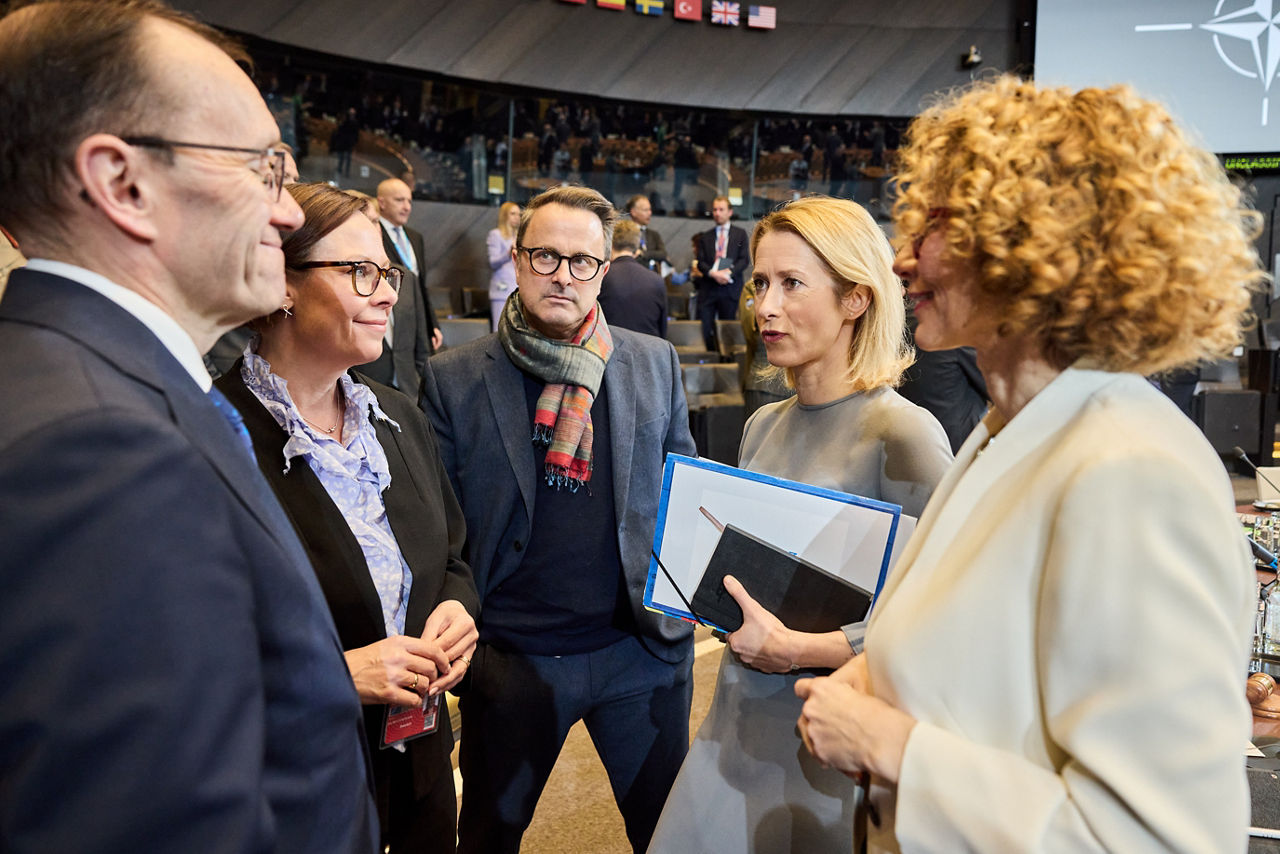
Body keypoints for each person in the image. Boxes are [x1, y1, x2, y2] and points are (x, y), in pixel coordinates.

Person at [796, 77, 1265, 853]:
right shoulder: (1010, 430)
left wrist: (891, 747)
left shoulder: (1130, 471)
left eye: (936, 225)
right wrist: (879, 672)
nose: (902, 258)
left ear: (1038, 243)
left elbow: (1158, 839)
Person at [0, 2, 377, 851]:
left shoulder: (87, 384)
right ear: (123, 184)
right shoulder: (97, 449)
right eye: (263, 169)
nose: (287, 213)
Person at [648, 196, 952, 853]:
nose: (767, 306)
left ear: (856, 299)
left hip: (829, 742)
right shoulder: (762, 425)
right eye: (760, 283)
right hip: (735, 717)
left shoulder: (905, 435)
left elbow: (936, 625)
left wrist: (796, 650)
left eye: (792, 284)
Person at [423, 185, 696, 854]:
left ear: (604, 270)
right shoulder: (452, 378)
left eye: (581, 262)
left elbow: (682, 491)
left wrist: (684, 613)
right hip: (514, 661)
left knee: (671, 839)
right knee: (487, 838)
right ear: (516, 260)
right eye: (546, 256)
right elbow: (441, 531)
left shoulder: (653, 362)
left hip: (638, 654)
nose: (563, 275)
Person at [216, 182, 479, 852]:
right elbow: (188, 653)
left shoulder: (396, 416)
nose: (387, 292)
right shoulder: (213, 435)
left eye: (387, 271)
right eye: (360, 271)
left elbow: (451, 558)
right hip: (295, 784)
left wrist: (456, 611)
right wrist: (341, 674)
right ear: (283, 283)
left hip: (419, 762)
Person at [378, 177, 442, 352]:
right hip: (391, 321)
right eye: (399, 200)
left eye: (409, 201)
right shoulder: (374, 234)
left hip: (418, 320)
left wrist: (432, 325)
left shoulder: (415, 237)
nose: (407, 207)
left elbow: (422, 285)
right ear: (381, 203)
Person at [693, 195, 750, 353]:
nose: (717, 213)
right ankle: (707, 358)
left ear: (730, 212)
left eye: (721, 209)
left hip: (730, 288)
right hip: (709, 288)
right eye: (715, 210)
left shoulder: (740, 234)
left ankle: (727, 360)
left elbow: (744, 260)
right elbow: (701, 262)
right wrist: (713, 274)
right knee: (704, 327)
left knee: (728, 327)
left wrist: (728, 274)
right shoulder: (706, 236)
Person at [598, 219, 668, 338]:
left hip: (609, 350)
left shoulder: (602, 276)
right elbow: (663, 328)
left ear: (610, 242)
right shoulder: (656, 280)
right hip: (648, 351)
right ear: (637, 244)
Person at [486, 201, 520, 331]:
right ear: (505, 215)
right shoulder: (496, 234)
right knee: (499, 330)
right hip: (501, 290)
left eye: (518, 214)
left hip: (517, 289)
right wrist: (508, 252)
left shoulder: (519, 236)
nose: (517, 217)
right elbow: (492, 262)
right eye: (513, 213)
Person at [626, 194, 668, 270]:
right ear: (633, 212)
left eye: (650, 210)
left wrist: (643, 253)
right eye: (645, 210)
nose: (649, 213)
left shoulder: (654, 235)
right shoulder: (625, 233)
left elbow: (663, 254)